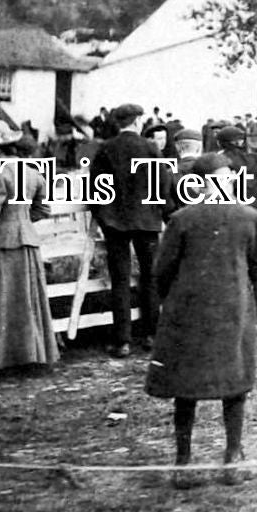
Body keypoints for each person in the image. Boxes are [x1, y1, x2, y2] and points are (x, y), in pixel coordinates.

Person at [145, 153, 257, 489]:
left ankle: (183, 464)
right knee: (235, 385)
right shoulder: (248, 216)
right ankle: (232, 457)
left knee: (186, 389)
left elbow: (162, 270)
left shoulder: (182, 219)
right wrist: (255, 309)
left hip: (189, 313)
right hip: (233, 311)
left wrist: (173, 302)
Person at [0, 120, 60, 371]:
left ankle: (0, 359)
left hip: (0, 244)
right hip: (27, 243)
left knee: (1, 300)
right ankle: (30, 355)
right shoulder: (30, 171)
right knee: (26, 301)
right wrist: (22, 222)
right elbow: (43, 209)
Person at [90, 103, 171, 358]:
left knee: (120, 280)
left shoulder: (106, 148)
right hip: (147, 221)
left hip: (116, 223)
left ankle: (122, 341)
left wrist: (103, 218)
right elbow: (162, 185)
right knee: (151, 277)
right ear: (136, 122)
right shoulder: (151, 148)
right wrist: (163, 213)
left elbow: (96, 189)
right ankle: (151, 335)